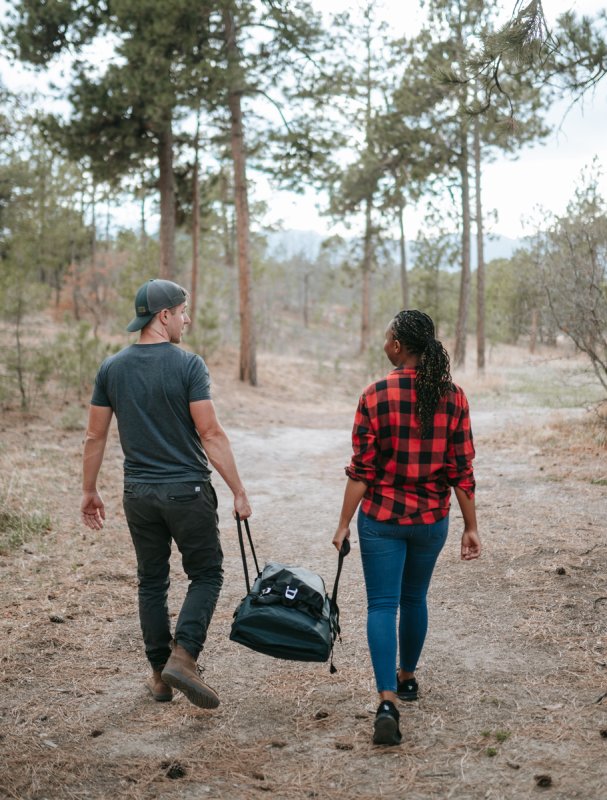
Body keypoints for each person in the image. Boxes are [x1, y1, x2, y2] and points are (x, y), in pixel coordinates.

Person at [80, 278, 251, 710]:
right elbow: (210, 433)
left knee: (151, 580)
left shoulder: (111, 368)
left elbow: (94, 437)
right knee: (207, 574)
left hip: (137, 493)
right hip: (187, 491)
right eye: (182, 312)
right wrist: (238, 490)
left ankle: (159, 674)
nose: (187, 319)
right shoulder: (188, 365)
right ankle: (185, 656)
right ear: (164, 316)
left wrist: (89, 489)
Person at [332, 309, 480, 746]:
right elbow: (462, 470)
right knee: (415, 598)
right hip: (431, 519)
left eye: (388, 334)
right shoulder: (453, 397)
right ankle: (409, 676)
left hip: (381, 520)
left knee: (382, 605)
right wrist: (471, 527)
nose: (385, 339)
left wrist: (343, 524)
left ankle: (387, 701)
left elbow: (362, 471)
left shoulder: (375, 395)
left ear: (398, 346)